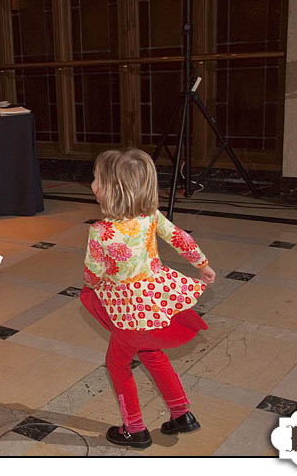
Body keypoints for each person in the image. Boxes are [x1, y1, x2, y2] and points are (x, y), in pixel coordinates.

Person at [79, 149, 216, 449]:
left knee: (117, 364)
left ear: (112, 190)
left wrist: (92, 282)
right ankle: (181, 413)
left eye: (96, 179)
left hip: (128, 313)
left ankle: (135, 429)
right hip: (155, 306)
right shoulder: (150, 217)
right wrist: (203, 266)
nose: (92, 184)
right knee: (152, 352)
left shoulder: (101, 231)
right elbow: (181, 238)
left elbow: (93, 274)